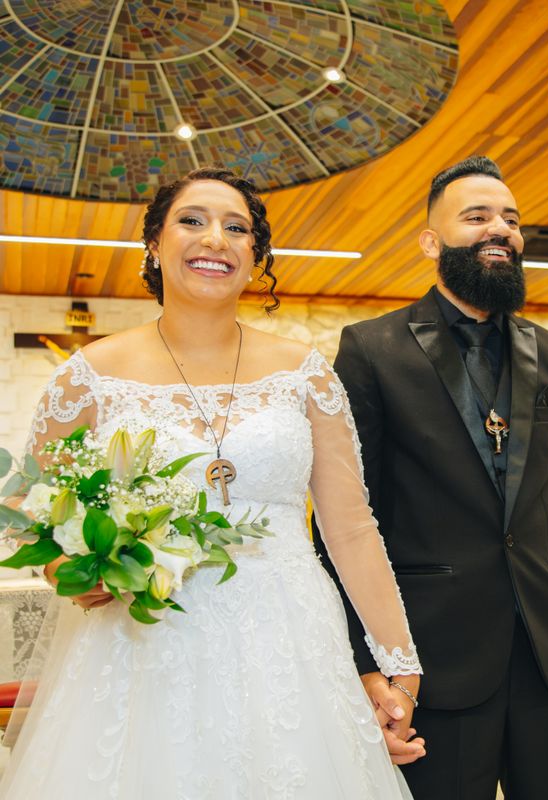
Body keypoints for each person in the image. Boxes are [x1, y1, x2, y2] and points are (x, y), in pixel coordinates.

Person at [0, 167, 424, 799]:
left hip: (289, 641)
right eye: (192, 221)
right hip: (142, 641)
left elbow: (352, 529)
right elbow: (29, 503)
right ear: (154, 243)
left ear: (255, 256)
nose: (216, 240)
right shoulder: (91, 374)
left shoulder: (303, 373)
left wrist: (399, 665)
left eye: (237, 229)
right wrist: (72, 569)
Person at [314, 156, 548, 799]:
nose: (500, 228)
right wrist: (367, 663)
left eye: (511, 219)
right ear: (431, 242)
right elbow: (343, 522)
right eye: (477, 216)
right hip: (431, 660)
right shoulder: (371, 350)